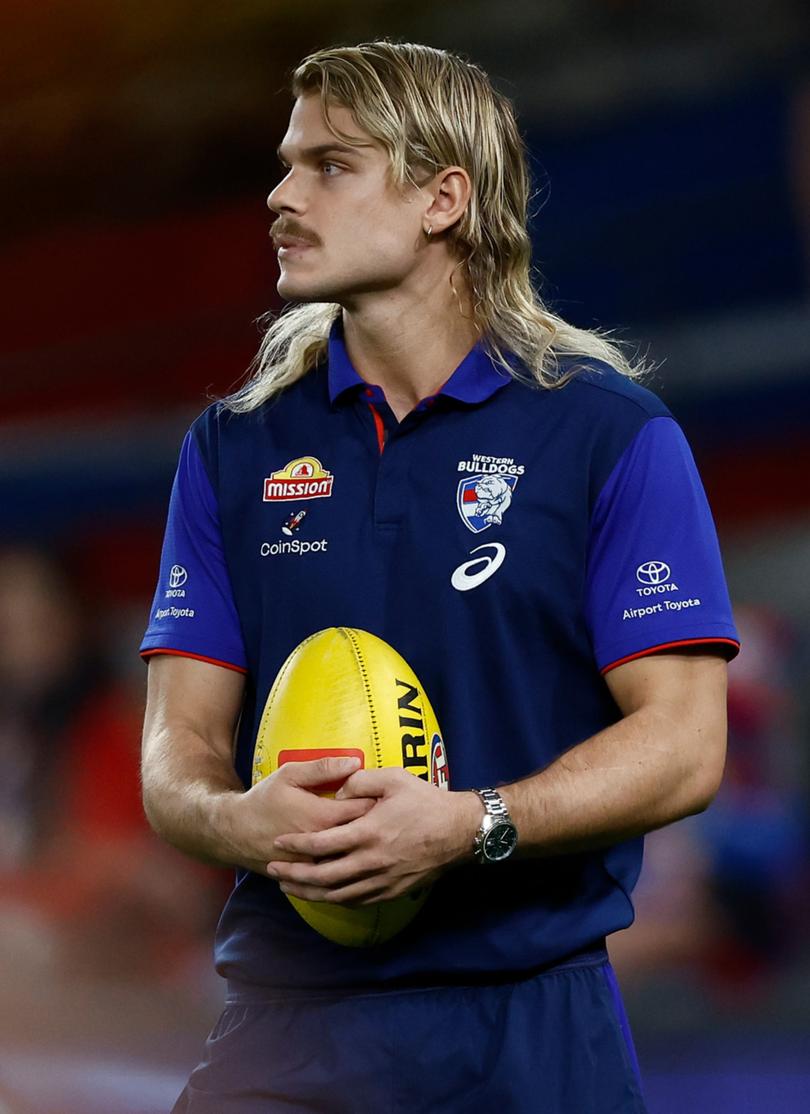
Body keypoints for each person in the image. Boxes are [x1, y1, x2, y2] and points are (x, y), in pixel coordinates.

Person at [140, 41, 740, 1113]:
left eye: (330, 166)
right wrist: (242, 823)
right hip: (288, 1026)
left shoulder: (608, 435)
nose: (280, 195)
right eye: (284, 165)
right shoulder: (233, 449)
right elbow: (174, 748)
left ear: (442, 198)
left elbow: (685, 746)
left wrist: (473, 824)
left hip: (532, 1024)